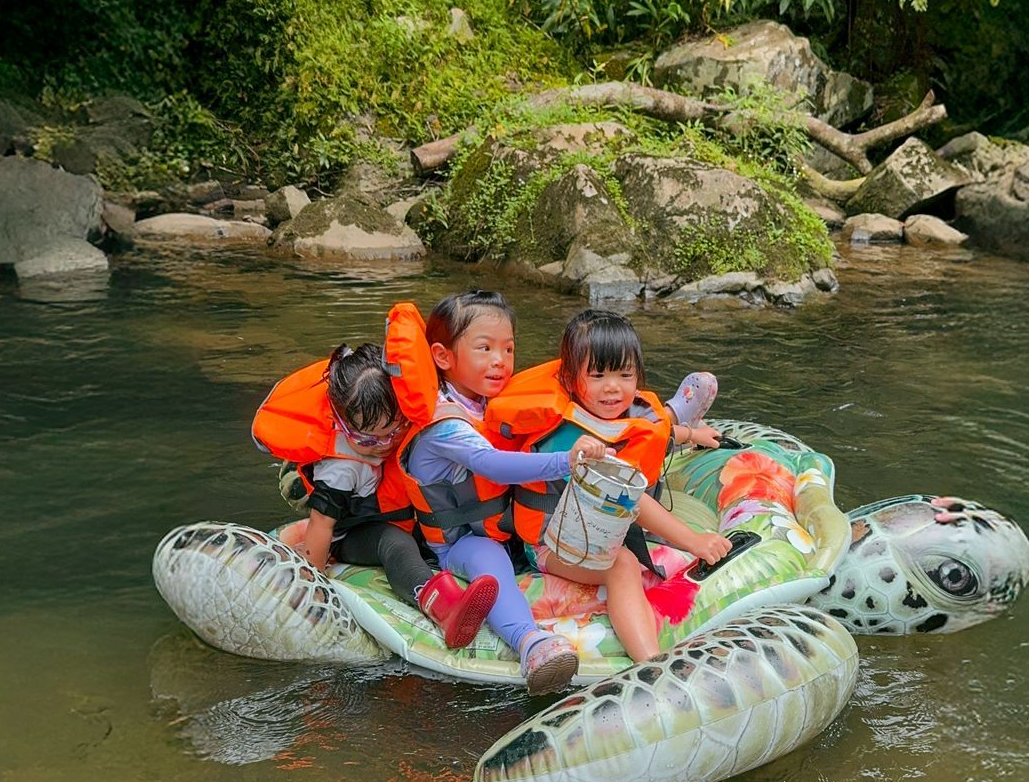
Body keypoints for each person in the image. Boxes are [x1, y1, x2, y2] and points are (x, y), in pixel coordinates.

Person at [487, 308, 732, 663]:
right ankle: (651, 663)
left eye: (624, 374)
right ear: (570, 378)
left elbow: (635, 434)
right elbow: (631, 501)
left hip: (606, 526)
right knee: (623, 566)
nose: (613, 386)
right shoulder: (567, 437)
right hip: (553, 544)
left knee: (658, 545)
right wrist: (694, 541)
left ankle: (678, 413)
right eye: (598, 375)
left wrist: (689, 434)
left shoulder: (614, 411)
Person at [394, 290, 606, 695]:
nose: (500, 361)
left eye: (508, 349)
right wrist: (567, 460)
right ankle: (531, 645)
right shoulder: (445, 424)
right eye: (485, 348)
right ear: (443, 357)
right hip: (463, 542)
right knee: (488, 558)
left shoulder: (493, 404)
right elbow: (493, 466)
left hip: (513, 528)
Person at [252, 341, 498, 649]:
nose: (384, 443)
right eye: (368, 437)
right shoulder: (341, 468)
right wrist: (314, 581)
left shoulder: (413, 415)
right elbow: (322, 523)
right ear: (342, 423)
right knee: (392, 543)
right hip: (358, 533)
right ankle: (442, 604)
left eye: (394, 430)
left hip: (413, 517)